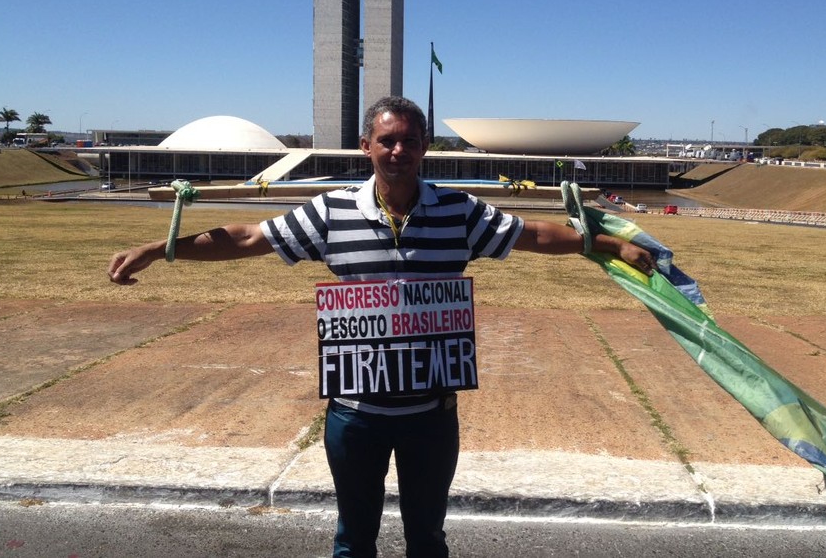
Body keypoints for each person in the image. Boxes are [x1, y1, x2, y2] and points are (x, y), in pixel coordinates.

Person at [108, 96, 654, 558]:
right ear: (367, 146)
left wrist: (611, 245)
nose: (398, 151)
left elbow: (533, 234)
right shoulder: (330, 212)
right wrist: (162, 250)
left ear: (424, 148)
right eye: (387, 141)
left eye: (410, 141)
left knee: (427, 541)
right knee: (353, 542)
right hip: (355, 417)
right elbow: (248, 238)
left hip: (430, 419)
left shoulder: (459, 213)